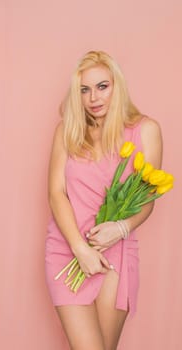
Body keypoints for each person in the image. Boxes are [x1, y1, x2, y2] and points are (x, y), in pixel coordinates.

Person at [45, 50, 162, 350]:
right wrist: (79, 248)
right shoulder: (67, 131)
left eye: (102, 86)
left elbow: (148, 198)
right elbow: (56, 192)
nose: (93, 98)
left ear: (117, 86)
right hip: (66, 250)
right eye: (84, 89)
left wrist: (121, 228)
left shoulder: (145, 130)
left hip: (116, 252)